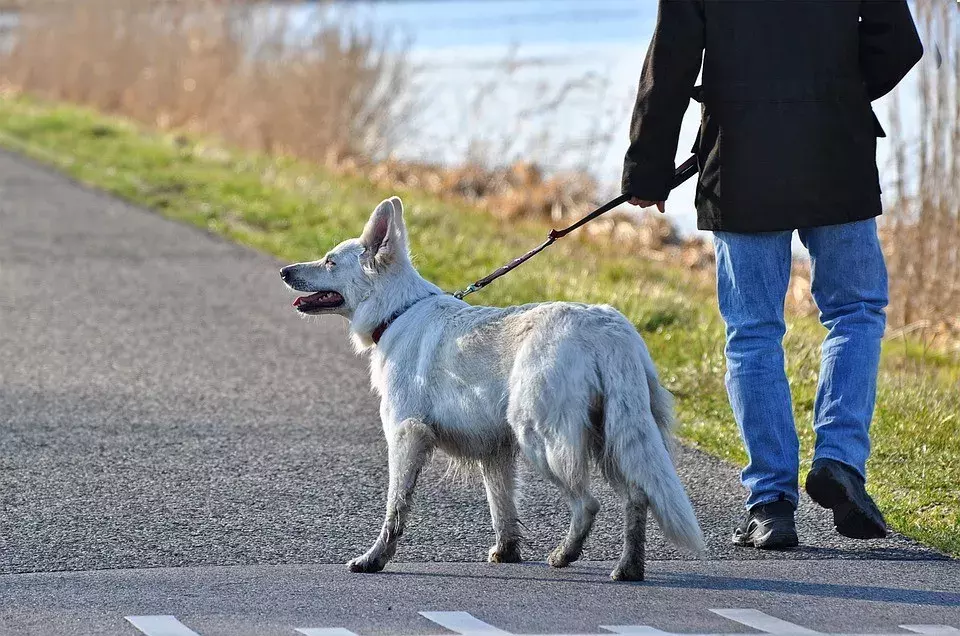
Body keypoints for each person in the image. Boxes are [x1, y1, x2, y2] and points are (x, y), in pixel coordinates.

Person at [622, 0, 923, 549]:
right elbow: (900, 45)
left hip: (741, 162)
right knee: (855, 311)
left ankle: (771, 503)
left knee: (754, 330)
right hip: (838, 152)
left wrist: (648, 166)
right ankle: (839, 460)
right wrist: (838, 94)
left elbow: (670, 63)